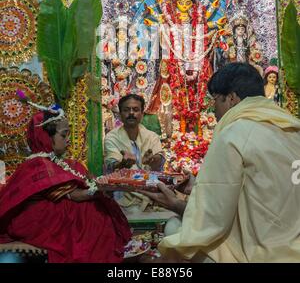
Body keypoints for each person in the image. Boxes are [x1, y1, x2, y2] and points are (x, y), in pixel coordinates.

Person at [142, 62, 300, 262]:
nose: (214, 111)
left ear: (232, 99)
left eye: (214, 101)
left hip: (261, 253)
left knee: (175, 229)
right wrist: (196, 188)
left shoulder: (234, 133)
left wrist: (163, 261)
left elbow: (211, 221)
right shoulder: (292, 128)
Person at [0, 109, 131, 263]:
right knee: (88, 213)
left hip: (49, 215)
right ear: (46, 137)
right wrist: (100, 189)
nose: (68, 139)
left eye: (69, 134)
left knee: (94, 209)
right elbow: (76, 196)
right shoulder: (38, 165)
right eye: (63, 135)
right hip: (34, 221)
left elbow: (86, 184)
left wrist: (105, 184)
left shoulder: (60, 162)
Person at [104, 94, 165, 211]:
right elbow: (111, 165)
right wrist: (123, 163)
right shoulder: (112, 137)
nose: (131, 113)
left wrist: (153, 160)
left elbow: (159, 160)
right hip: (124, 193)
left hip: (151, 192)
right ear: (120, 114)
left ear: (142, 114)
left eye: (136, 110)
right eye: (126, 110)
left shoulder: (152, 137)